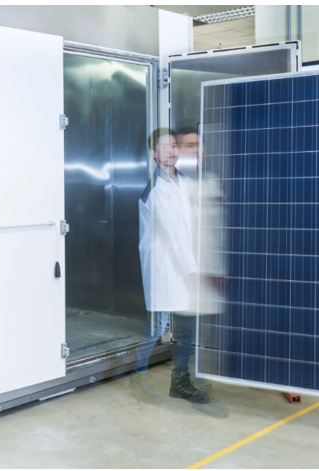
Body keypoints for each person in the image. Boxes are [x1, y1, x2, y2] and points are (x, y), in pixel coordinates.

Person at [131, 127, 209, 405]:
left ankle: (180, 381)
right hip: (166, 268)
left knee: (185, 324)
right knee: (158, 326)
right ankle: (137, 372)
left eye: (174, 145)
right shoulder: (156, 190)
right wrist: (193, 270)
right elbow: (174, 233)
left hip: (186, 265)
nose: (171, 151)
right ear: (154, 153)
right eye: (164, 147)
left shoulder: (184, 182)